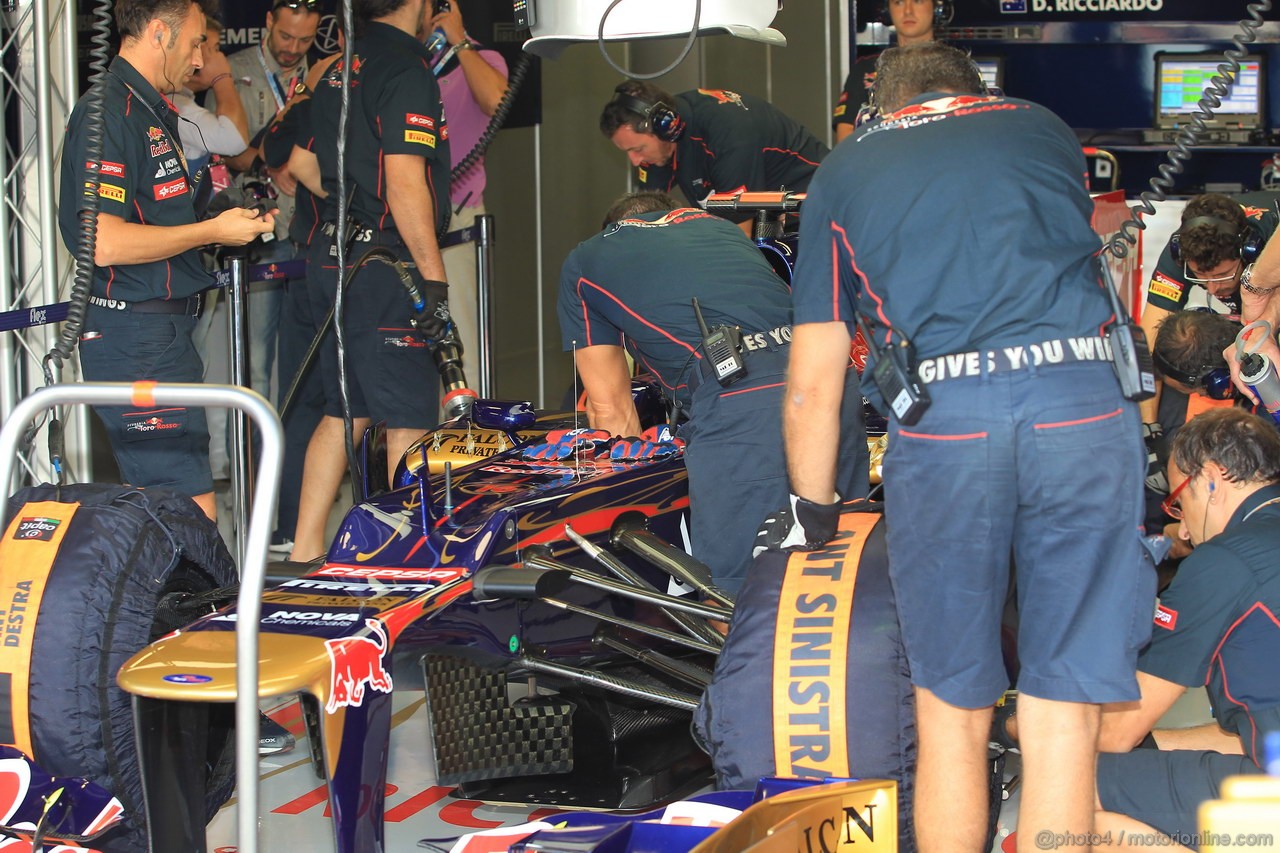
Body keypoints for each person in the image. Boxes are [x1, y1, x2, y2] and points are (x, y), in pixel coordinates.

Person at [772, 43, 1153, 852]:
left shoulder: (843, 170)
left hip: (951, 421)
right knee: (1064, 703)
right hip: (1083, 405)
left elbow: (812, 382)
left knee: (951, 709)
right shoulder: (1043, 126)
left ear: (884, 107)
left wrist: (813, 511)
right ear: (972, 92)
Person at [558, 191, 868, 595]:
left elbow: (611, 407)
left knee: (736, 601)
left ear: (611, 228)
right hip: (831, 385)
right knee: (843, 580)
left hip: (741, 402)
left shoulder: (586, 259)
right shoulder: (719, 228)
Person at [58, 0, 275, 521]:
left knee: (181, 513)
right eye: (196, 42)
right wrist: (210, 230)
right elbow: (102, 242)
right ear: (159, 33)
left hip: (164, 331)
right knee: (187, 514)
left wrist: (217, 219)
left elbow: (151, 220)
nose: (201, 60)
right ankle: (188, 606)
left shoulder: (152, 108)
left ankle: (184, 604)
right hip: (136, 333)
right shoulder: (108, 110)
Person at [288, 0, 452, 563]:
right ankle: (407, 561)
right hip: (386, 264)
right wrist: (433, 281)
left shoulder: (334, 66)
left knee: (345, 412)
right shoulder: (407, 70)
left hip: (333, 258)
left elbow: (301, 165)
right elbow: (406, 183)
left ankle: (305, 555)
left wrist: (348, 202)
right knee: (408, 416)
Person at [1091, 407, 1280, 850]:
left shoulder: (1225, 561)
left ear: (1212, 480)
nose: (1186, 530)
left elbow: (1117, 731)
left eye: (1180, 499)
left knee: (1070, 792)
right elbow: (1259, 731)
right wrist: (1153, 745)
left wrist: (1012, 726)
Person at [205, 0, 321, 410]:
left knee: (307, 353)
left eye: (305, 40)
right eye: (286, 36)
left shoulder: (323, 73)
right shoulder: (231, 72)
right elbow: (218, 145)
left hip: (310, 229)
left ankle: (291, 455)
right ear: (268, 22)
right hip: (258, 229)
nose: (293, 48)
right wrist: (269, 167)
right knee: (253, 353)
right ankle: (251, 461)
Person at [599, 82, 828, 236]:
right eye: (627, 152)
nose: (635, 161)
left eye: (637, 149)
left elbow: (740, 236)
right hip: (769, 220)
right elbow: (644, 215)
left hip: (817, 215)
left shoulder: (730, 133)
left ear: (667, 127)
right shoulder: (664, 134)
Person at [1139, 193, 1278, 428]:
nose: (1213, 289)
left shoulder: (1268, 242)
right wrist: (1148, 427)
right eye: (1200, 277)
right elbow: (1147, 348)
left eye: (1222, 276)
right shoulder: (1183, 253)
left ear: (1248, 252)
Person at [424, 0, 508, 387]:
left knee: (463, 339)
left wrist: (457, 40)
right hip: (406, 210)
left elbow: (496, 99)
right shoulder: (404, 62)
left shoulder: (482, 59)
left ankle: (467, 436)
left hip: (458, 211)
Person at [832, 0, 942, 143]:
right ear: (887, 10)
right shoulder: (867, 68)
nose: (908, 11)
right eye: (899, 2)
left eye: (917, 1)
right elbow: (845, 133)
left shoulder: (955, 66)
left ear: (937, 8)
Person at [169, 18, 249, 178]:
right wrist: (222, 77)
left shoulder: (180, 99)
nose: (221, 57)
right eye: (213, 50)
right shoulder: (174, 105)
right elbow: (235, 140)